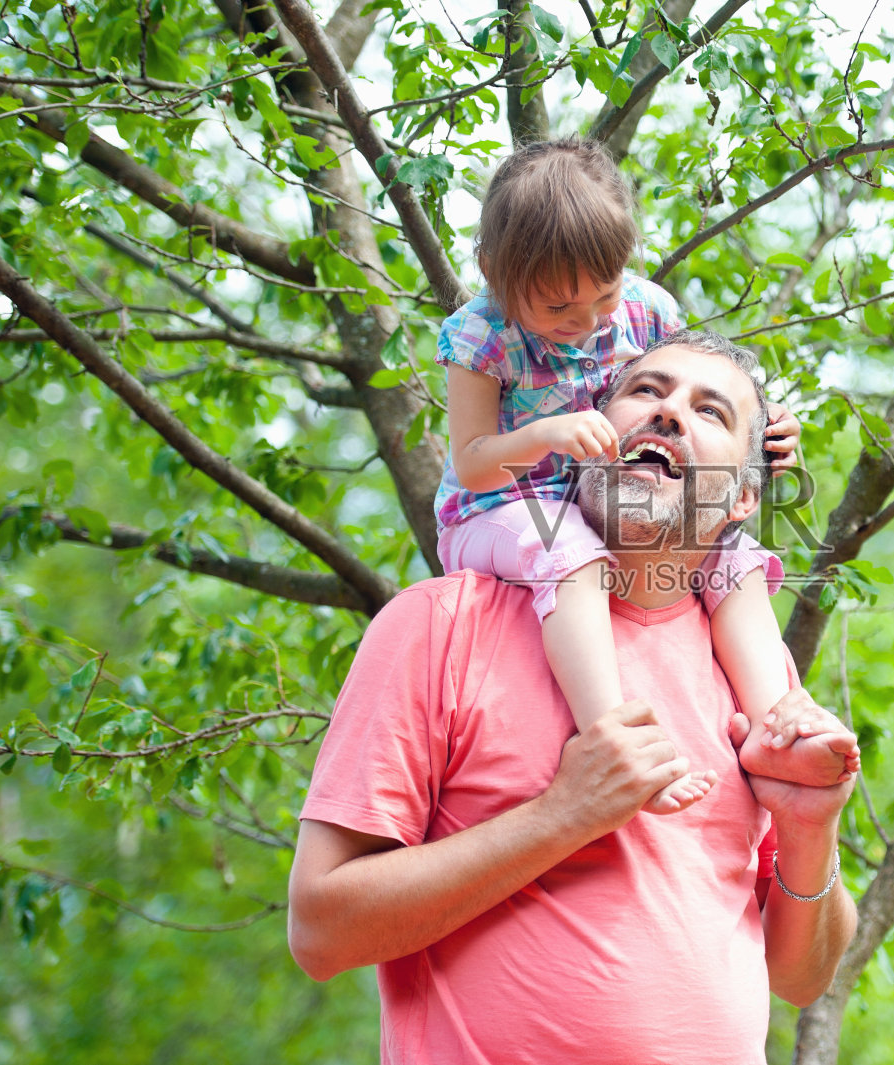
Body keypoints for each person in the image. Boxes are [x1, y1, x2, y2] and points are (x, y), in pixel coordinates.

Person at [289, 332, 858, 1064]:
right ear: (588, 439)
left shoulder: (752, 669)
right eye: (646, 391)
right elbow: (320, 931)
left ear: (744, 497)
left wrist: (811, 829)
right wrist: (564, 815)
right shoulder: (441, 622)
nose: (669, 413)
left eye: (710, 410)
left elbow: (801, 976)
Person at [434, 138, 856, 813]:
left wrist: (765, 426)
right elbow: (471, 462)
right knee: (569, 551)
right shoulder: (480, 336)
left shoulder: (646, 308)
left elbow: (693, 385)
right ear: (493, 273)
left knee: (736, 557)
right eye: (557, 309)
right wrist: (544, 435)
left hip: (599, 496)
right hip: (500, 507)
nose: (585, 324)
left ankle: (779, 720)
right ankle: (616, 735)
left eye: (602, 298)